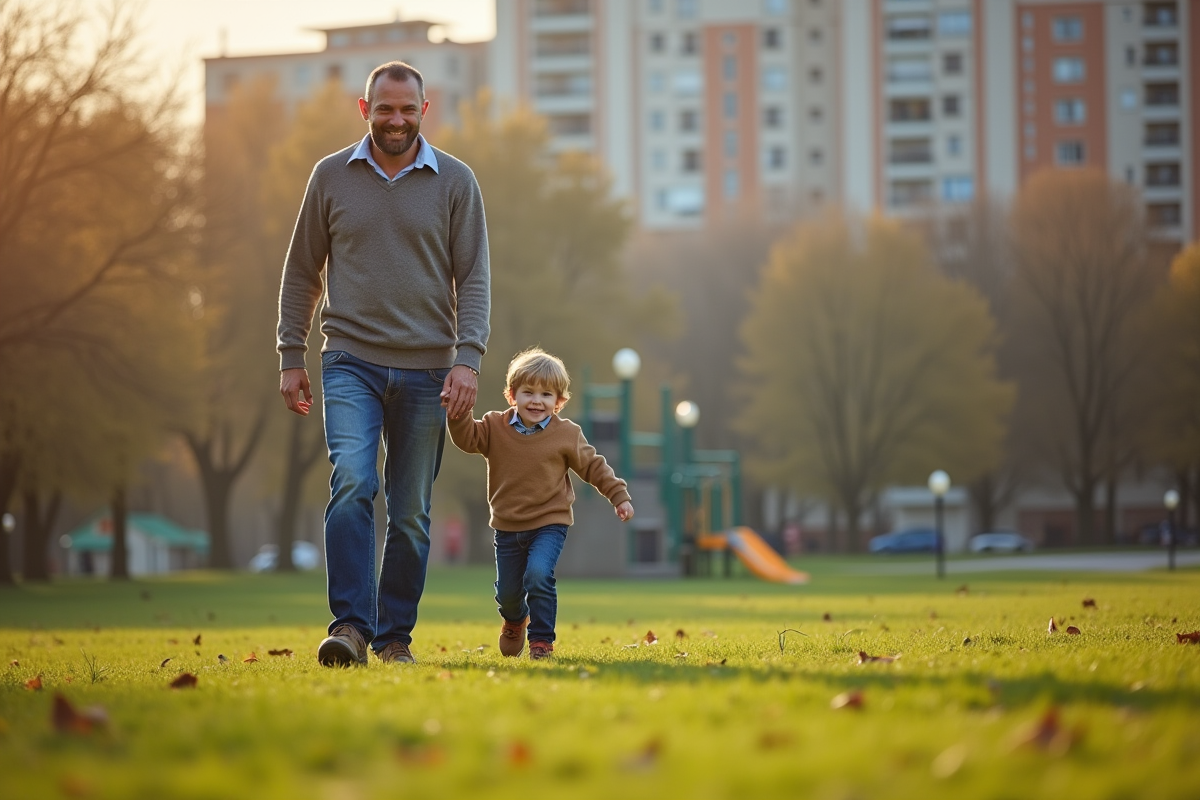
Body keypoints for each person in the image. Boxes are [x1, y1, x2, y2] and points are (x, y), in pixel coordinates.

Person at [276, 61, 490, 667]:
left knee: (413, 512)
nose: (396, 119)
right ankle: (349, 627)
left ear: (427, 109)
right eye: (385, 107)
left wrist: (467, 360)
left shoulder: (456, 181)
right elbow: (300, 272)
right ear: (363, 108)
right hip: (350, 360)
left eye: (407, 108)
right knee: (352, 481)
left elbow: (473, 278)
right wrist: (291, 353)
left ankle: (395, 638)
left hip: (429, 369)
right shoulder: (330, 177)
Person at [447, 348, 634, 660]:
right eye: (528, 392)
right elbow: (467, 439)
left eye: (546, 394)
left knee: (538, 574)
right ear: (512, 395)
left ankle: (541, 641)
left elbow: (594, 466)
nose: (537, 401)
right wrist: (457, 414)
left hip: (550, 523)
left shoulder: (567, 434)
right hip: (507, 527)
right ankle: (515, 619)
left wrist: (619, 496)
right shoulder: (495, 427)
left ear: (558, 402)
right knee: (507, 593)